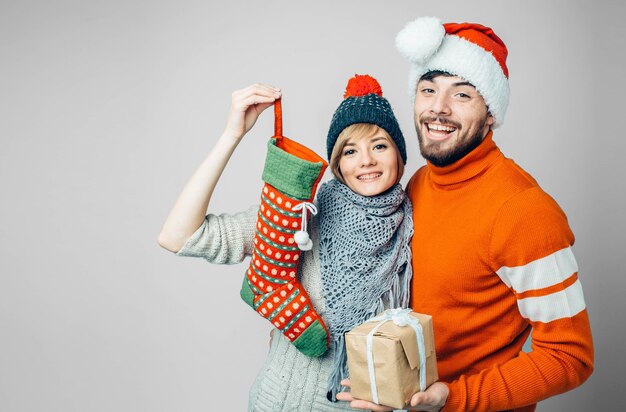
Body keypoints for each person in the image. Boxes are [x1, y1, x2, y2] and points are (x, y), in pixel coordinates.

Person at [337, 16, 594, 412]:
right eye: (427, 90)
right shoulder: (418, 184)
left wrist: (454, 398)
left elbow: (570, 357)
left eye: (462, 95)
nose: (437, 109)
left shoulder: (522, 210)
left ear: (490, 112)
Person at [158, 74, 414, 411]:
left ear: (399, 154)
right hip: (279, 403)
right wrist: (233, 134)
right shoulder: (302, 218)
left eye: (379, 145)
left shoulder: (413, 227)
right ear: (338, 164)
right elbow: (177, 236)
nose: (366, 160)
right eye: (350, 150)